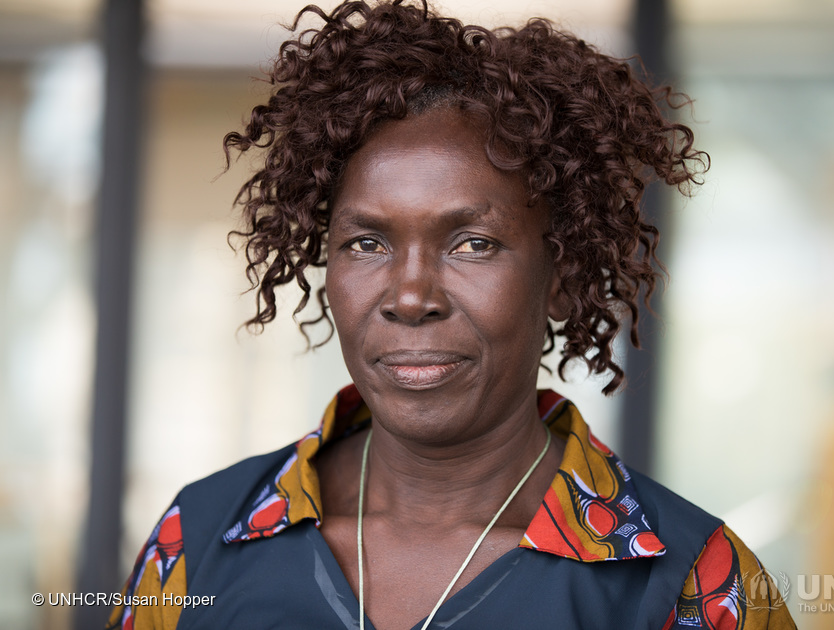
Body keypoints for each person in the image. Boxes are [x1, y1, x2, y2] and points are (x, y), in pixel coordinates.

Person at [108, 1, 795, 628]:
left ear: (562, 276)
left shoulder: (686, 583)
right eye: (366, 242)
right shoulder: (200, 541)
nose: (410, 297)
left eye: (474, 243)